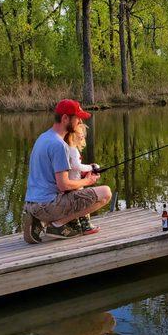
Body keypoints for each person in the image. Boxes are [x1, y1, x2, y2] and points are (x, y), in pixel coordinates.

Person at [22, 99, 112, 243]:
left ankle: (38, 220)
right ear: (65, 118)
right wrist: (88, 180)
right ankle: (58, 224)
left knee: (76, 191)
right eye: (77, 118)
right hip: (48, 204)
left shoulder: (43, 137)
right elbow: (63, 185)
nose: (80, 122)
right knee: (106, 193)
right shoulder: (59, 145)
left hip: (31, 203)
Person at [64, 122, 100, 235]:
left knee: (75, 205)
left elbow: (74, 168)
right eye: (80, 133)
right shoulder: (72, 149)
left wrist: (86, 171)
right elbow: (76, 166)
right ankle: (86, 227)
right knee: (84, 203)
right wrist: (91, 167)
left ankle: (76, 226)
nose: (83, 136)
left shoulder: (66, 148)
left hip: (71, 183)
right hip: (75, 184)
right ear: (72, 135)